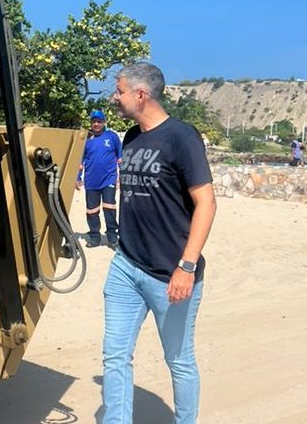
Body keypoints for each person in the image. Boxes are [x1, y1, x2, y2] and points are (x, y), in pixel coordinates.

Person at [102, 62, 217, 424]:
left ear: (141, 94)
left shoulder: (181, 137)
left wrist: (187, 266)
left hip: (171, 274)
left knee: (179, 360)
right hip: (126, 265)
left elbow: (206, 203)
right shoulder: (130, 137)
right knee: (115, 355)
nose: (114, 97)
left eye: (119, 91)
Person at [76, 109, 122, 248]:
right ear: (91, 123)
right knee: (92, 210)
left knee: (109, 208)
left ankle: (112, 238)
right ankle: (95, 237)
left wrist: (121, 177)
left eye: (99, 121)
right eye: (94, 122)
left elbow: (120, 158)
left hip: (109, 179)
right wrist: (78, 177)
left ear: (104, 122)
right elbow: (80, 161)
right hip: (91, 181)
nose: (96, 124)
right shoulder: (87, 140)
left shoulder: (112, 137)